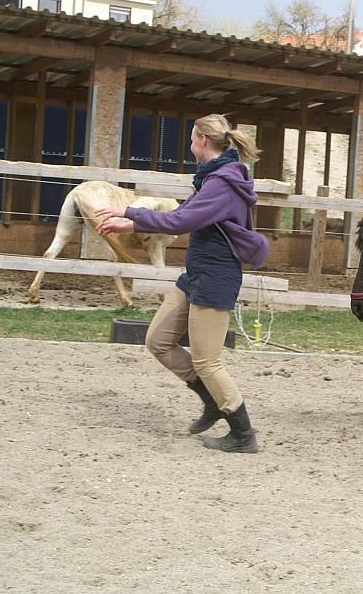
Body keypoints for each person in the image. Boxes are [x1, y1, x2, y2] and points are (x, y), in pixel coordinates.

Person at [96, 114, 270, 453]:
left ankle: (243, 434)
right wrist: (130, 220)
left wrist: (130, 215)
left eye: (191, 140)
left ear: (202, 140)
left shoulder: (221, 184)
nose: (190, 146)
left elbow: (181, 221)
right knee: (158, 341)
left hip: (215, 278)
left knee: (207, 361)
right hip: (195, 276)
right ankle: (212, 401)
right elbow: (180, 214)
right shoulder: (211, 179)